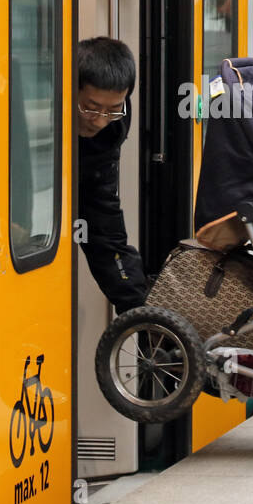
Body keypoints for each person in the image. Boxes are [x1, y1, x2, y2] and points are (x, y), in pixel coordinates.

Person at [77, 37, 149, 312]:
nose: (100, 121)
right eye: (91, 107)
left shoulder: (112, 130)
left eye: (112, 110)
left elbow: (103, 225)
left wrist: (139, 312)